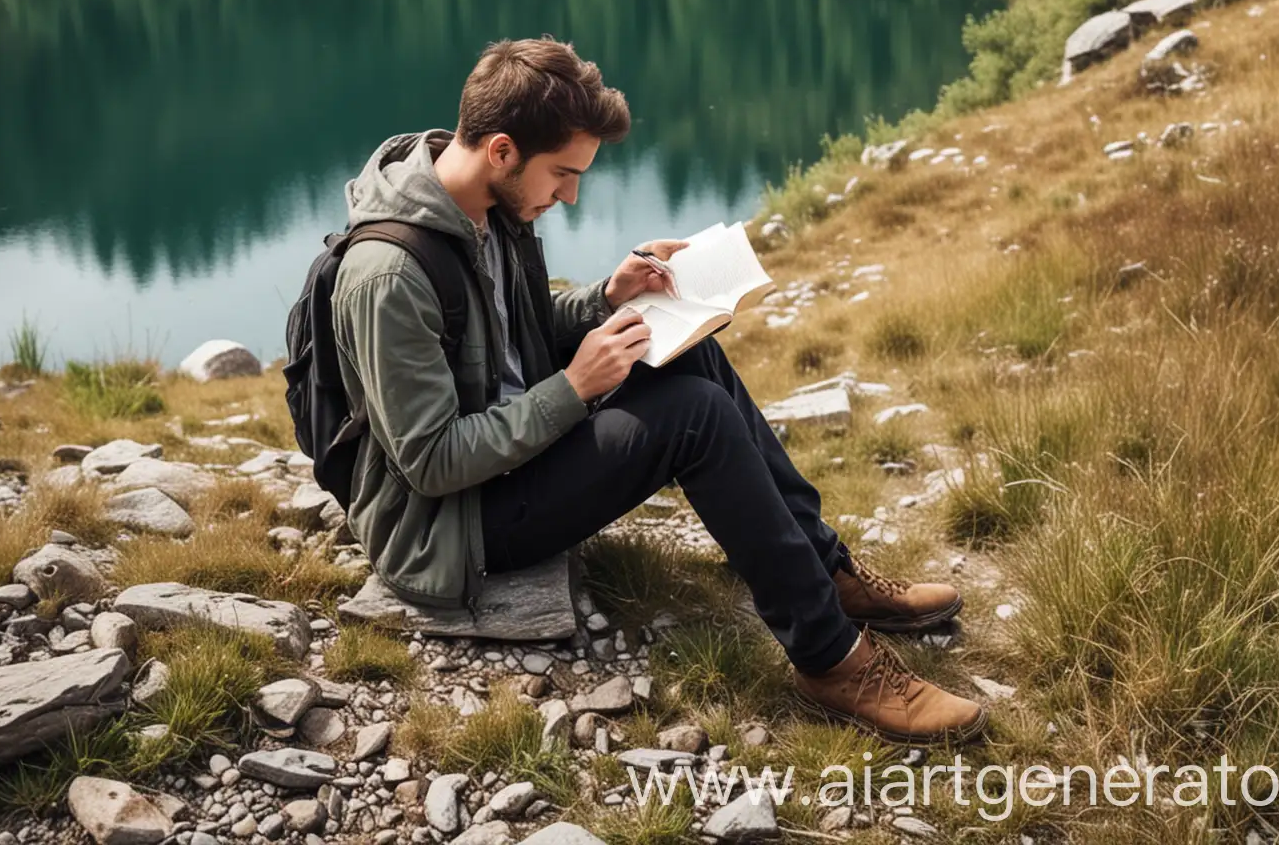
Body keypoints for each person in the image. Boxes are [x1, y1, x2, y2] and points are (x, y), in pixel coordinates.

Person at [331, 36, 988, 743]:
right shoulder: (388, 277)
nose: (571, 195)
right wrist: (576, 388)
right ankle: (831, 660)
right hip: (450, 525)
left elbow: (503, 337)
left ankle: (826, 574)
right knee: (694, 418)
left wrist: (606, 299)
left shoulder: (495, 208)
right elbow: (430, 463)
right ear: (500, 150)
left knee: (688, 358)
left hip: (510, 456)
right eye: (563, 174)